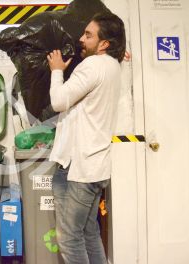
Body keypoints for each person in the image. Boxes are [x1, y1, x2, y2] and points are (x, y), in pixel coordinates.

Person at [46, 12, 126, 264]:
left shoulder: (92, 65)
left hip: (80, 169)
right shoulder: (112, 66)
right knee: (89, 232)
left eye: (88, 35)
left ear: (104, 44)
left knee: (69, 237)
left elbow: (59, 101)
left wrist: (57, 71)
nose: (81, 38)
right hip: (91, 165)